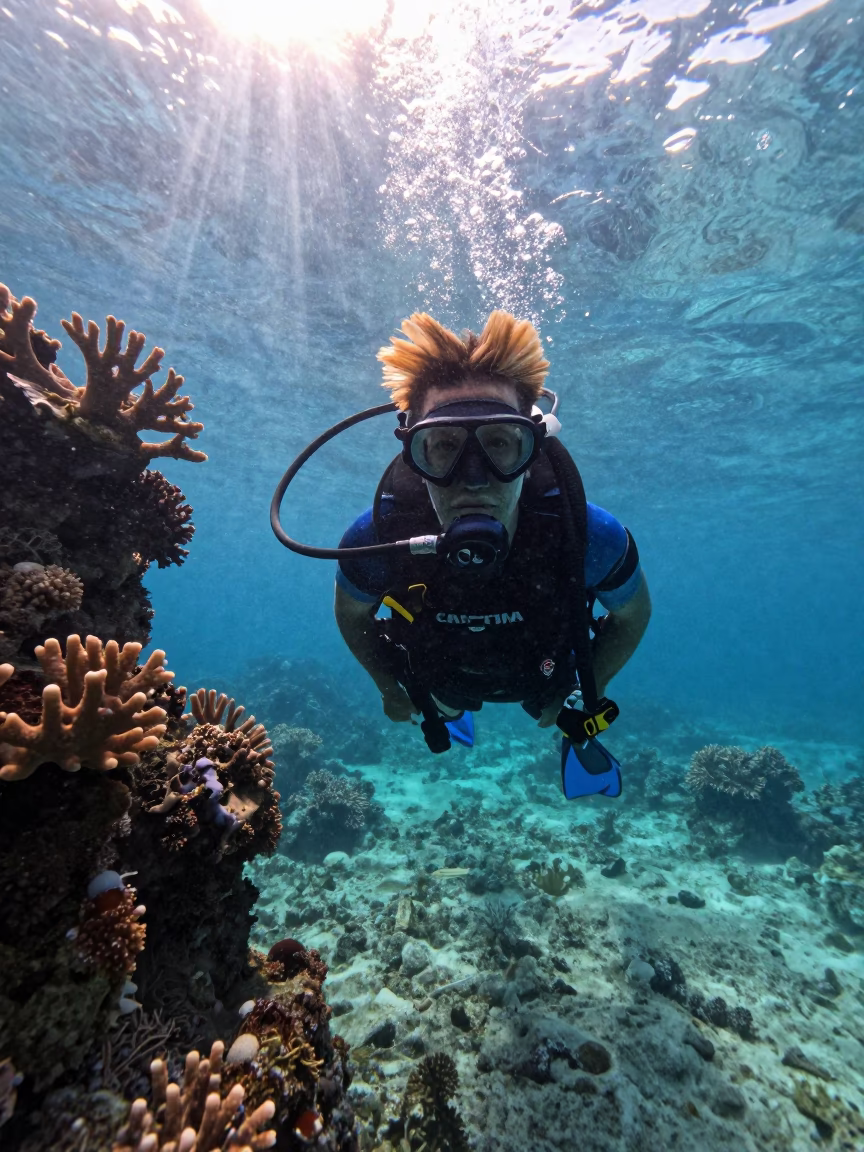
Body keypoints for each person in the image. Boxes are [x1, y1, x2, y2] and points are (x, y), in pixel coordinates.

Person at [333, 309, 651, 795]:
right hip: (442, 674)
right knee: (439, 701)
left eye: (501, 443)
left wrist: (593, 686)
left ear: (533, 449)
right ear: (413, 458)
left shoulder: (583, 531)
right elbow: (349, 611)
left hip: (547, 672)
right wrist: (386, 683)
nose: (474, 478)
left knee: (558, 703)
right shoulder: (377, 535)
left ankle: (569, 729)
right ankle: (452, 713)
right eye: (442, 446)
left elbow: (633, 614)